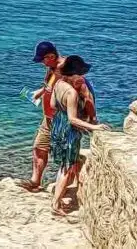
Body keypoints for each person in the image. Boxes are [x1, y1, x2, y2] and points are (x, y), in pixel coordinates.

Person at [49, 55, 110, 216]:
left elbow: (52, 105)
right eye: (80, 73)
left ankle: (56, 199)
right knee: (67, 168)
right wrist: (94, 127)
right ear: (74, 74)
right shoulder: (72, 93)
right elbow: (73, 119)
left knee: (63, 164)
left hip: (57, 125)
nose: (82, 76)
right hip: (69, 130)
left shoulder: (58, 84)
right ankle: (56, 204)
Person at [19, 41, 62, 193]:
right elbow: (51, 85)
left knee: (65, 154)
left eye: (43, 60)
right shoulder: (52, 69)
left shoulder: (63, 67)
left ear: (51, 56)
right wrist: (41, 91)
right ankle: (35, 181)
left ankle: (65, 187)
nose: (42, 63)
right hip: (48, 119)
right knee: (39, 147)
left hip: (61, 119)